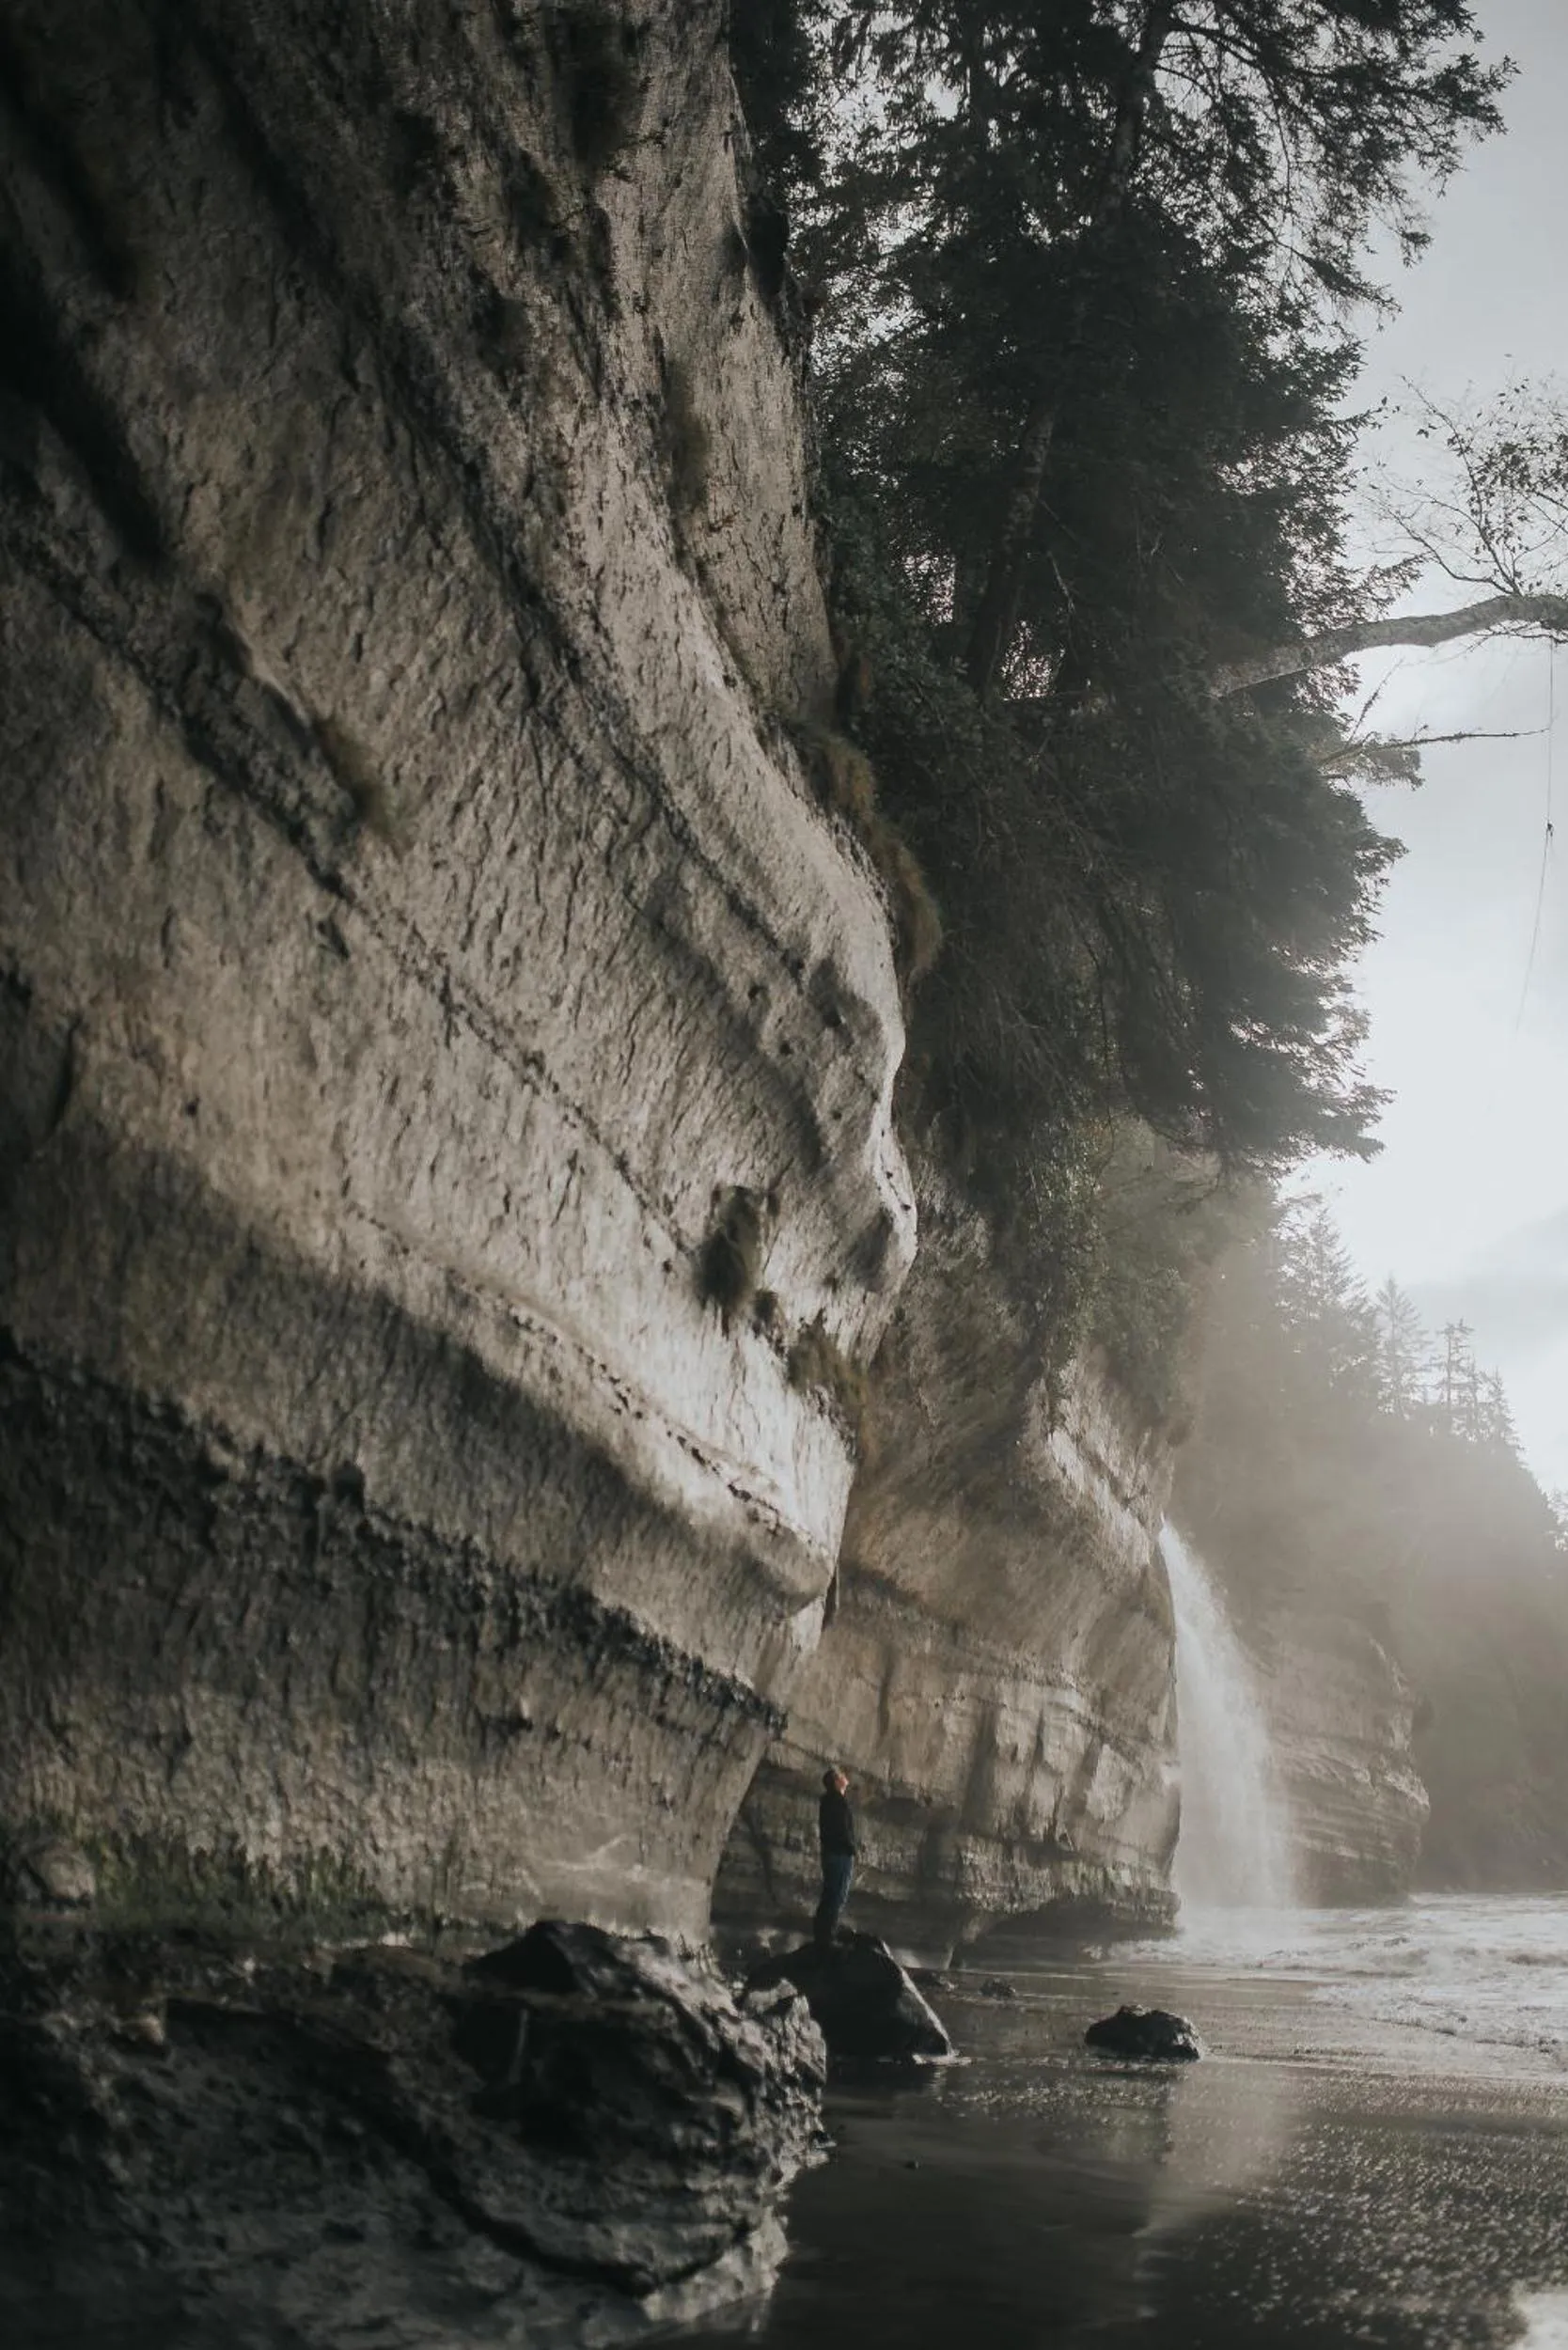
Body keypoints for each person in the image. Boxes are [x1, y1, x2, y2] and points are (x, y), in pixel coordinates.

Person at [814, 1766, 856, 1947]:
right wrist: (851, 1847)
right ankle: (827, 1936)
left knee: (830, 1894)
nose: (845, 1777)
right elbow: (841, 1829)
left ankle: (823, 1933)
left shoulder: (829, 1801)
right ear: (836, 1781)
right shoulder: (837, 1802)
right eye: (841, 1775)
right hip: (839, 1854)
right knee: (836, 1895)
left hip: (832, 1853)